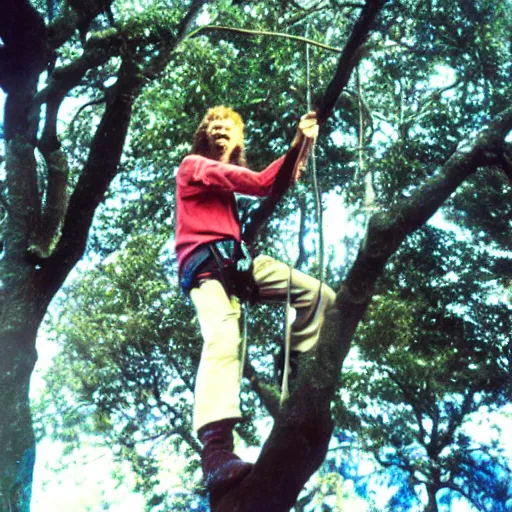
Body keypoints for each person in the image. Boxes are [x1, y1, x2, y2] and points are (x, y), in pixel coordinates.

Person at [174, 106, 336, 493]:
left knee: (318, 295)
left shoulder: (224, 194)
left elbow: (277, 181)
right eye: (211, 124)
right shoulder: (193, 165)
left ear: (239, 138)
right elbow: (265, 182)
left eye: (227, 125)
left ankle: (296, 366)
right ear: (203, 136)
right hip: (207, 270)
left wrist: (304, 146)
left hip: (237, 264)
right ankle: (215, 452)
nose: (219, 129)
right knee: (223, 339)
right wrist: (298, 142)